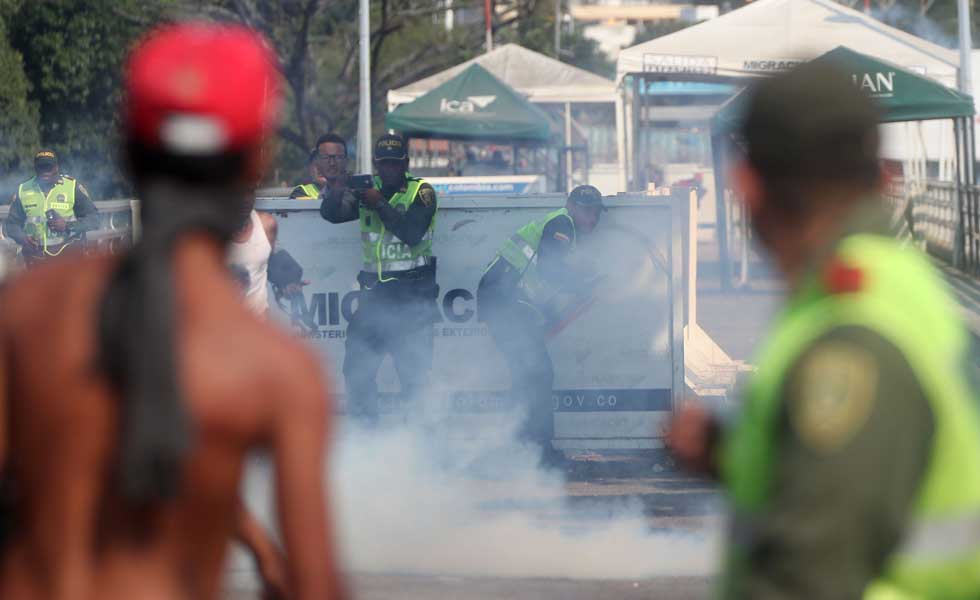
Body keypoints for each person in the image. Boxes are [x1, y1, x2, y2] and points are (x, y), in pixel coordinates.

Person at [0, 22, 343, 600]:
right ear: (255, 161)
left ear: (129, 150)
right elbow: (316, 587)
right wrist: (265, 556)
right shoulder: (278, 370)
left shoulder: (27, 313)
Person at [667, 60, 980, 599]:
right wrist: (730, 455)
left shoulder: (849, 330)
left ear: (747, 187)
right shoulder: (896, 281)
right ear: (887, 176)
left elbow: (808, 577)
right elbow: (862, 481)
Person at [477, 185, 604, 466]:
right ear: (571, 206)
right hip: (504, 302)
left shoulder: (560, 223)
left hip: (505, 302)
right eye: (586, 210)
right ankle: (538, 452)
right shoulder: (562, 223)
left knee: (528, 376)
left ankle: (519, 448)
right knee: (538, 375)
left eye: (595, 212)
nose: (591, 218)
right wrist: (580, 286)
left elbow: (540, 274)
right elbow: (550, 268)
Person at [320, 133, 438, 424]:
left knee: (414, 378)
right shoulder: (365, 191)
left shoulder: (422, 191)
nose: (388, 170)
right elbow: (332, 214)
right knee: (356, 370)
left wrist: (378, 202)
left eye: (395, 164)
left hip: (413, 299)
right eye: (383, 164)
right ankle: (368, 442)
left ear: (406, 163)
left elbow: (412, 233)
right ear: (375, 163)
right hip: (375, 299)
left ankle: (420, 449)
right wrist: (336, 188)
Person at [5, 149, 100, 267]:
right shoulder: (23, 190)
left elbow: (94, 218)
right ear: (35, 167)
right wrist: (23, 238)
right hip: (35, 259)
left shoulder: (72, 187)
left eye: (48, 167)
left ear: (56, 167)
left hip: (68, 257)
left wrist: (67, 226)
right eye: (42, 167)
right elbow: (11, 225)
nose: (45, 172)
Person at [228, 189, 308, 315]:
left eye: (249, 191)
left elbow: (273, 262)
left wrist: (287, 282)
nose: (245, 199)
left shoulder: (266, 226)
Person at [291, 133, 349, 199]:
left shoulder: (355, 190)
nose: (332, 163)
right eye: (325, 158)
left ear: (346, 162)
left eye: (338, 157)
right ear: (310, 169)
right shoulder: (301, 192)